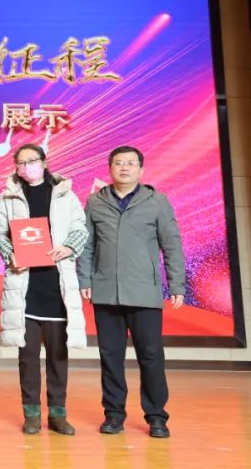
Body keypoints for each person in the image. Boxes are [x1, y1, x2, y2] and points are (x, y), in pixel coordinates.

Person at [78, 145, 186, 439]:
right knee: (110, 356)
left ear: (141, 169)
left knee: (150, 356)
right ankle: (113, 415)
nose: (124, 168)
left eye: (130, 163)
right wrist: (85, 279)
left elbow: (172, 245)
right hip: (106, 292)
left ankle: (157, 417)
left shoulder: (157, 202)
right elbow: (86, 245)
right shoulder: (95, 202)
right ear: (109, 168)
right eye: (118, 163)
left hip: (144, 293)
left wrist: (176, 284)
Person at [0, 143, 87, 436]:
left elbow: (80, 228)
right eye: (21, 163)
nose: (27, 167)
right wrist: (11, 254)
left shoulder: (65, 194)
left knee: (58, 355)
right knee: (28, 356)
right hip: (25, 285)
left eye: (32, 161)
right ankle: (31, 413)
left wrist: (69, 247)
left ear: (44, 162)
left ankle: (58, 414)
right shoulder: (8, 197)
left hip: (57, 285)